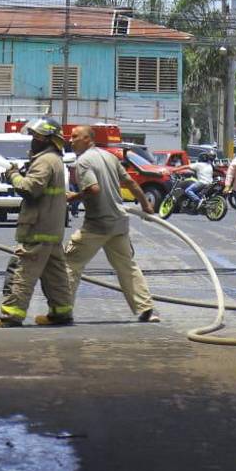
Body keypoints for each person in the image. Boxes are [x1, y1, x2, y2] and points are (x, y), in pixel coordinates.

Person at [63, 125, 160, 323]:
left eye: (75, 137)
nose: (71, 140)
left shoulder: (83, 162)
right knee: (127, 266)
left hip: (97, 224)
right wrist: (145, 205)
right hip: (118, 222)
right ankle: (146, 308)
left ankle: (62, 310)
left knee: (70, 263)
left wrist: (74, 196)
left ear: (88, 139)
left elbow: (94, 189)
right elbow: (131, 183)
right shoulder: (109, 157)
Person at [0, 118, 74, 328]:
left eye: (38, 136)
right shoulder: (54, 160)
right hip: (51, 229)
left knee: (22, 272)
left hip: (37, 228)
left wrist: (14, 175)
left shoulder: (44, 161)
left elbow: (30, 189)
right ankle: (61, 313)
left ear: (50, 139)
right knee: (55, 275)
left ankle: (11, 316)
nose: (34, 140)